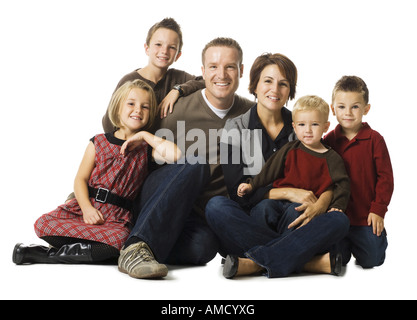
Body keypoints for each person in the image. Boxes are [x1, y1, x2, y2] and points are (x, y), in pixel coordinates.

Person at [205, 53, 351, 279]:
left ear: (290, 91)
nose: (275, 89)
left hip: (297, 217)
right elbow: (238, 193)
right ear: (254, 85)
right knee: (216, 206)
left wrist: (322, 203)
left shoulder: (304, 125)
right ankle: (308, 261)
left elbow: (327, 172)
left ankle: (255, 262)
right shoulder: (234, 129)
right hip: (253, 220)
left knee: (338, 220)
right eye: (268, 81)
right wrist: (289, 192)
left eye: (283, 84)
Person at [117, 37, 253, 279]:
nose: (221, 74)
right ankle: (136, 245)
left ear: (241, 71)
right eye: (213, 66)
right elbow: (126, 136)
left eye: (230, 67)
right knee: (196, 162)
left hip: (194, 218)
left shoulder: (252, 115)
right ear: (202, 72)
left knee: (205, 247)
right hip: (157, 197)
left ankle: (130, 248)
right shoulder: (173, 111)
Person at [13, 80, 181, 272]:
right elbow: (80, 180)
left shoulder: (146, 149)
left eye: (145, 107)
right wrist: (86, 209)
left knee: (119, 241)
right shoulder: (98, 142)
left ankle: (47, 255)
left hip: (117, 218)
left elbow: (177, 155)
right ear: (118, 108)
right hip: (85, 208)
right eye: (131, 103)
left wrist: (145, 136)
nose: (138, 110)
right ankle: (91, 250)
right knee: (42, 224)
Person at [238, 95, 350, 216]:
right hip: (278, 200)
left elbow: (342, 184)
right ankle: (264, 234)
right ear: (294, 128)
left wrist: (337, 205)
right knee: (263, 208)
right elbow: (270, 170)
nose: (308, 130)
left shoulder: (332, 158)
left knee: (296, 212)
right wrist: (252, 185)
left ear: (326, 127)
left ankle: (284, 234)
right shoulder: (290, 149)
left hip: (304, 204)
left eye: (314, 124)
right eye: (302, 125)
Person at [324, 75, 394, 268]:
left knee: (371, 260)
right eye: (341, 107)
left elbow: (385, 178)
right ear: (333, 109)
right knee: (337, 259)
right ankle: (345, 246)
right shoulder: (328, 141)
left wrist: (378, 209)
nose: (348, 113)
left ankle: (374, 241)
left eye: (355, 106)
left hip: (366, 217)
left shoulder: (375, 140)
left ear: (366, 109)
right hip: (337, 216)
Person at [102, 17, 205, 133]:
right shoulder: (129, 81)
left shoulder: (179, 78)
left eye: (171, 47)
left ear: (178, 55)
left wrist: (177, 90)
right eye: (158, 44)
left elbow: (207, 82)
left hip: (165, 146)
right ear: (147, 48)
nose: (164, 51)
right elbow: (109, 124)